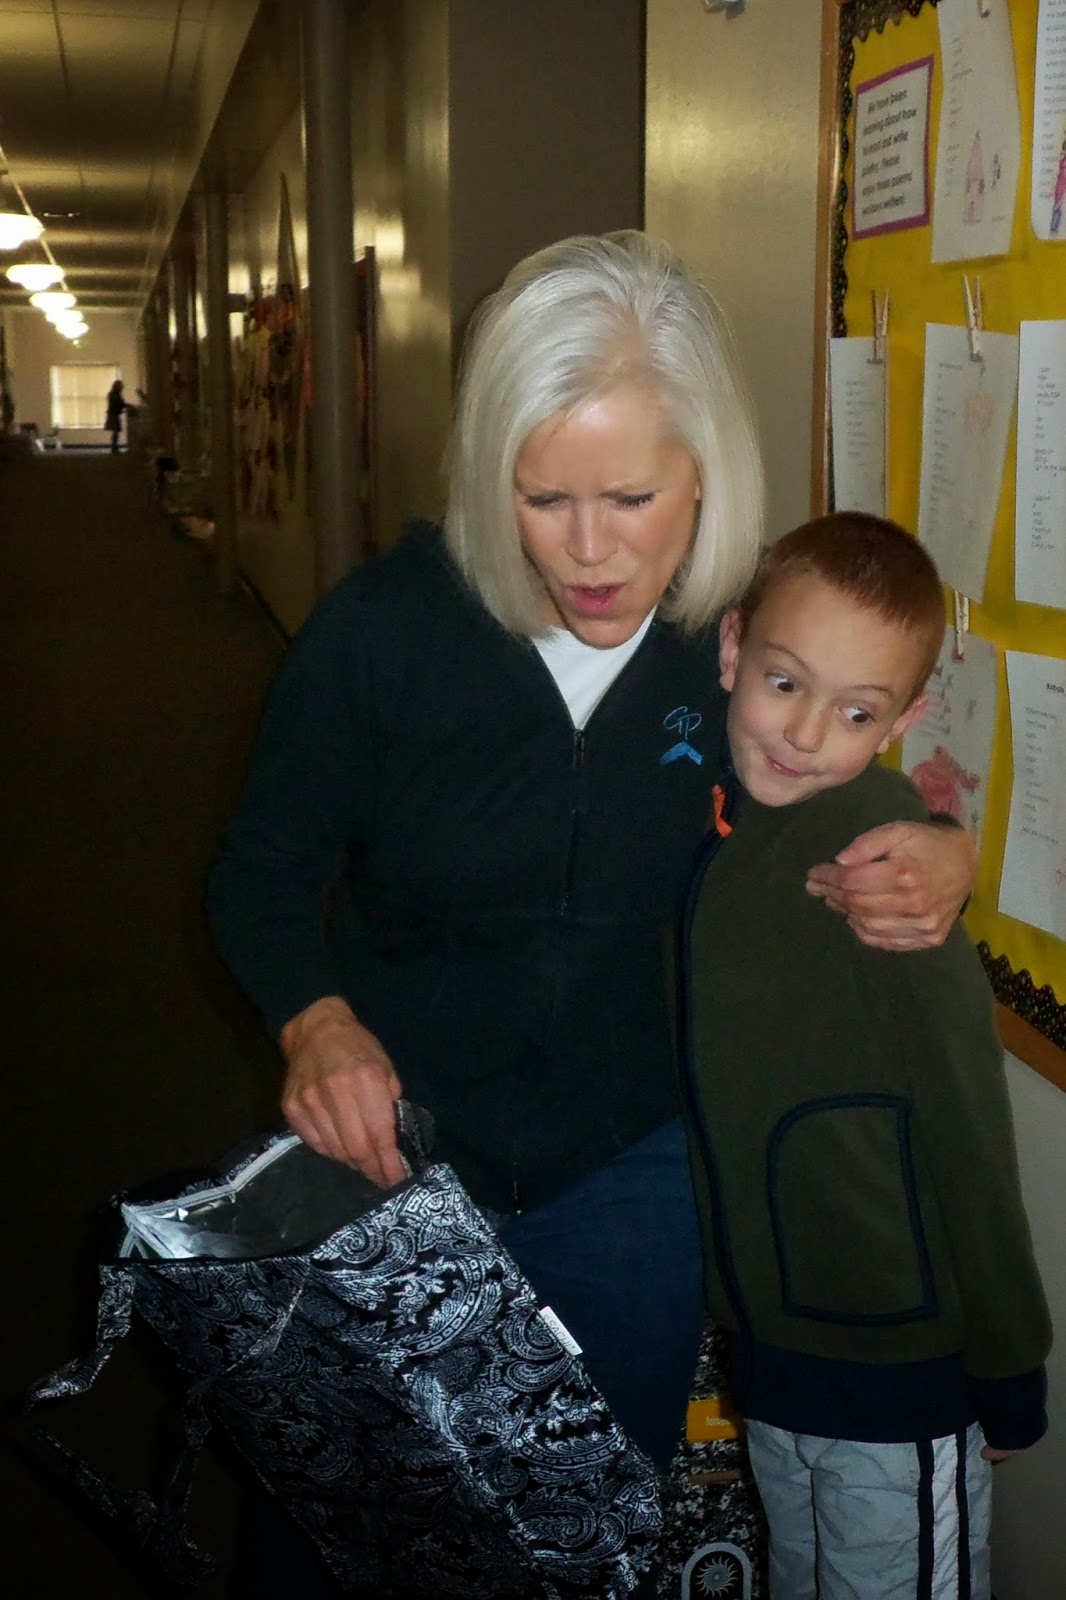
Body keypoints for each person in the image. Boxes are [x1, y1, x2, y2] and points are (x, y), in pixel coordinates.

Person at [206, 234, 977, 1593]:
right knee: (341, 1526)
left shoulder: (741, 647)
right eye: (540, 496)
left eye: (630, 497)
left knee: (580, 1533)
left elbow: (849, 764)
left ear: (705, 473)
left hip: (628, 1170)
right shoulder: (384, 633)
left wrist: (942, 849)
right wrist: (314, 1021)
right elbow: (258, 872)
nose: (585, 549)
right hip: (395, 1157)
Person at [676, 511, 1051, 1600]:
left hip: (898, 1365)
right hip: (775, 1350)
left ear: (905, 718)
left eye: (855, 711)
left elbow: (967, 1117)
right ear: (733, 648)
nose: (804, 734)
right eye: (784, 683)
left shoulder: (881, 857)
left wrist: (1008, 1360)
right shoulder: (719, 818)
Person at [104, 377, 127, 453]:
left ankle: (114, 447)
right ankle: (114, 448)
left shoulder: (111, 394)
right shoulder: (116, 395)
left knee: (115, 432)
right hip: (114, 415)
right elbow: (121, 404)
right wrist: (129, 406)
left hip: (112, 414)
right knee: (115, 432)